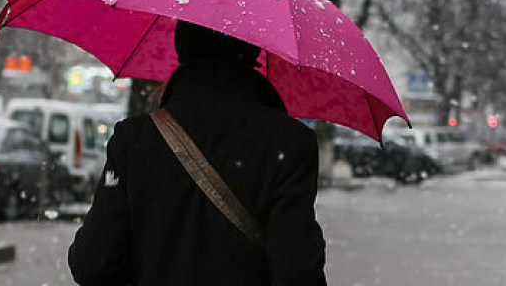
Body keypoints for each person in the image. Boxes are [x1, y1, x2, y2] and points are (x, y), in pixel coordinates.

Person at [68, 20, 327, 285]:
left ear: (181, 47)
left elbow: (92, 263)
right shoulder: (289, 143)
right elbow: (297, 271)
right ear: (252, 50)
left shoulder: (135, 139)